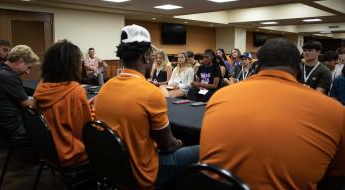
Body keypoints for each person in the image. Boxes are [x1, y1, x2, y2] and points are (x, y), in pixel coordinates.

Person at [200, 38, 345, 190]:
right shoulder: (335, 111)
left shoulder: (219, 95)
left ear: (257, 67)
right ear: (298, 69)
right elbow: (335, 178)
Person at [94, 24, 199, 189]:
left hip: (114, 169)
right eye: (152, 55)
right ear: (146, 56)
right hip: (144, 172)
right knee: (202, 149)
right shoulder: (151, 93)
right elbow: (168, 146)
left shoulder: (105, 88)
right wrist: (181, 143)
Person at [34, 40, 94, 187]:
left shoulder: (41, 87)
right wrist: (93, 109)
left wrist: (85, 105)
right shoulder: (75, 91)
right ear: (71, 65)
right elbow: (85, 132)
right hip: (71, 155)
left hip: (49, 151)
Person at [0, 45, 39, 142]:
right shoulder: (7, 76)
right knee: (51, 124)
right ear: (21, 60)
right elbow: (27, 104)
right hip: (13, 128)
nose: (28, 72)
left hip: (0, 123)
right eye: (28, 67)